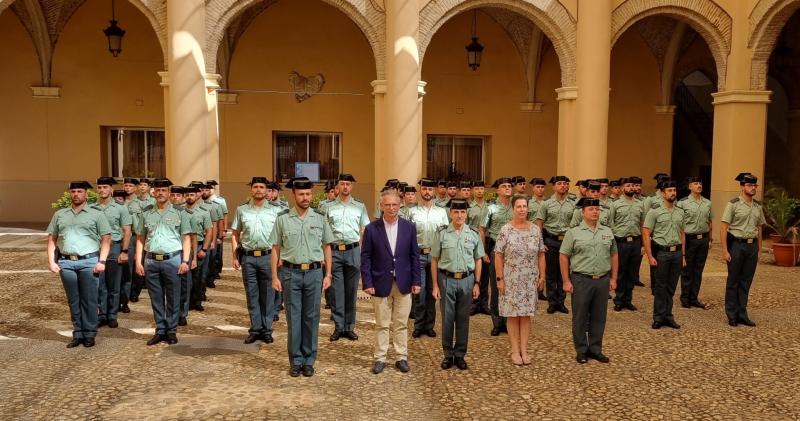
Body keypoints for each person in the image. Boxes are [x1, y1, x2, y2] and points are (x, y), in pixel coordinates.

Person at [270, 177, 334, 377]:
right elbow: (275, 248)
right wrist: (274, 276)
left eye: (308, 194)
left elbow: (327, 246)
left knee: (311, 318)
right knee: (294, 318)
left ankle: (309, 359)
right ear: (293, 195)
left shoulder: (320, 218)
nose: (305, 198)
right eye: (301, 194)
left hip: (315, 273)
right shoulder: (282, 219)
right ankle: (296, 360)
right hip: (290, 273)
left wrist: (328, 274)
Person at [361, 191, 421, 374]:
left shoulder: (409, 227)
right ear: (381, 206)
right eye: (387, 205)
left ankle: (401, 357)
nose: (391, 208)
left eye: (394, 204)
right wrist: (367, 282)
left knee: (401, 323)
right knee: (382, 323)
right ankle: (380, 358)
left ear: (400, 205)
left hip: (404, 282)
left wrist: (416, 280)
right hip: (380, 283)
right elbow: (366, 258)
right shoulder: (372, 229)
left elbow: (414, 256)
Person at [46, 181, 112, 348]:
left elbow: (106, 238)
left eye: (79, 191)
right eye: (73, 191)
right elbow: (52, 239)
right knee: (73, 300)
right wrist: (51, 261)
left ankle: (89, 333)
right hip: (67, 262)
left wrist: (102, 261)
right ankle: (78, 333)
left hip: (89, 261)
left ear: (86, 194)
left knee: (89, 299)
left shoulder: (97, 214)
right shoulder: (60, 214)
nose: (76, 194)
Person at [135, 178, 193, 345]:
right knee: (156, 297)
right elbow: (140, 238)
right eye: (157, 190)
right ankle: (160, 329)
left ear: (169, 192)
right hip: (151, 260)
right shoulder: (145, 213)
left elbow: (186, 238)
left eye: (164, 190)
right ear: (153, 192)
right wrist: (138, 261)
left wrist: (185, 261)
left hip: (172, 259)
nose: (160, 193)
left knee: (174, 297)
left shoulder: (180, 213)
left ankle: (172, 330)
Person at [560, 198, 618, 364]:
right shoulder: (573, 232)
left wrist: (613, 278)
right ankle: (581, 349)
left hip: (602, 279)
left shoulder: (607, 231)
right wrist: (566, 280)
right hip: (581, 279)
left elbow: (614, 254)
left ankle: (595, 348)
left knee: (599, 316)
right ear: (583, 212)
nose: (595, 212)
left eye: (597, 209)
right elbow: (564, 256)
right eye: (591, 209)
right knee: (580, 316)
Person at [432, 199, 484, 370]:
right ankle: (448, 355)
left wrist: (477, 283)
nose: (459, 215)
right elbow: (434, 260)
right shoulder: (442, 233)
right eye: (456, 212)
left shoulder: (474, 233)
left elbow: (478, 259)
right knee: (447, 319)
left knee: (463, 319)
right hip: (446, 279)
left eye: (462, 212)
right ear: (450, 213)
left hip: (467, 280)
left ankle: (460, 354)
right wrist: (435, 285)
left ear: (466, 214)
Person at [494, 195, 545, 366]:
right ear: (513, 209)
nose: (522, 209)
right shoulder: (505, 230)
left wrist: (542, 276)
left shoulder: (535, 230)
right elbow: (498, 255)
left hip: (529, 279)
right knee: (513, 315)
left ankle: (524, 349)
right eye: (519, 206)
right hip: (511, 279)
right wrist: (500, 279)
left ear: (528, 208)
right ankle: (515, 351)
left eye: (524, 206)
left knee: (525, 315)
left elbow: (541, 254)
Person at [231, 177, 282, 344]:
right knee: (252, 295)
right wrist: (234, 256)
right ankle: (255, 329)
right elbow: (235, 234)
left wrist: (280, 258)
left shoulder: (276, 211)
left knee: (268, 294)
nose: (259, 190)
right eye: (255, 187)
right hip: (249, 258)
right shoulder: (242, 210)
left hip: (268, 257)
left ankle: (266, 329)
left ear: (267, 190)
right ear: (251, 190)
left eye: (262, 187)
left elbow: (281, 237)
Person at [325, 173, 370, 341]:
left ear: (351, 187)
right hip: (335, 251)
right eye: (342, 184)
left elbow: (365, 229)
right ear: (337, 186)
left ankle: (349, 327)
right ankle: (338, 326)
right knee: (337, 291)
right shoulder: (328, 207)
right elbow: (324, 232)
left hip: (352, 251)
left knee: (351, 291)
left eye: (348, 184)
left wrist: (362, 251)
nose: (345, 187)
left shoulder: (359, 206)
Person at [720, 172, 765, 327]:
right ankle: (731, 314)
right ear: (742, 186)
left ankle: (742, 313)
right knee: (733, 281)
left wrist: (759, 249)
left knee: (746, 281)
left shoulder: (758, 206)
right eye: (749, 185)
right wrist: (725, 250)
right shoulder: (733, 204)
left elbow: (759, 227)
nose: (753, 188)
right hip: (737, 245)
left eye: (754, 185)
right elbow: (724, 227)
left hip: (752, 247)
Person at [408, 178, 450, 338]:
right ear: (420, 190)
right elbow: (407, 235)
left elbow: (445, 235)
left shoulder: (441, 212)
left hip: (435, 257)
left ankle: (429, 325)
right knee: (419, 292)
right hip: (418, 255)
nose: (427, 192)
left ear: (434, 191)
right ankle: (419, 325)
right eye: (424, 189)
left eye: (430, 189)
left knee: (433, 291)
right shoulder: (411, 211)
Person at [643, 180, 685, 330]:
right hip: (662, 253)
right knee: (660, 287)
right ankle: (659, 317)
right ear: (662, 193)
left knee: (671, 287)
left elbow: (682, 233)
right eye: (669, 190)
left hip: (677, 253)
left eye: (674, 190)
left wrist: (684, 256)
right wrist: (649, 256)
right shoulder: (654, 212)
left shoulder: (680, 211)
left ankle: (668, 316)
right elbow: (646, 233)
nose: (672, 193)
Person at [94, 177, 132, 329]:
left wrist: (124, 251)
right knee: (99, 284)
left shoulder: (121, 208)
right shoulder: (92, 208)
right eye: (100, 187)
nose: (102, 190)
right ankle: (102, 314)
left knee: (114, 284)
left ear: (111, 190)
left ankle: (112, 315)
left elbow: (127, 231)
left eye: (105, 187)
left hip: (114, 247)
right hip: (96, 249)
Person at [535, 175, 575, 315]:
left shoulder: (572, 204)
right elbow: (539, 223)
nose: (563, 186)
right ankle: (552, 302)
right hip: (551, 241)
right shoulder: (546, 203)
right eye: (560, 183)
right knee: (551, 273)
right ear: (554, 186)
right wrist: (540, 242)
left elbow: (575, 224)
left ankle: (561, 302)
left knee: (563, 273)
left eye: (565, 183)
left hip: (567, 241)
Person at [480, 177, 514, 335]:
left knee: (511, 286)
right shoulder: (491, 208)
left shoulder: (517, 206)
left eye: (509, 186)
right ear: (497, 190)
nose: (507, 188)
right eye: (504, 186)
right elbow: (482, 230)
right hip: (496, 249)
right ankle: (497, 322)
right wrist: (483, 251)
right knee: (496, 286)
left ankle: (508, 321)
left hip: (514, 251)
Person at [607, 177, 644, 312]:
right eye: (627, 186)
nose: (630, 188)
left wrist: (643, 245)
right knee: (621, 272)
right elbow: (610, 224)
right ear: (622, 188)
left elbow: (642, 224)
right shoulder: (615, 204)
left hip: (635, 241)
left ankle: (628, 300)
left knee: (632, 272)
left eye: (632, 186)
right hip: (621, 242)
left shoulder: (640, 204)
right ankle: (619, 299)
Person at [677, 176, 713, 309]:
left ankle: (694, 297)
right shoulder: (682, 203)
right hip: (689, 239)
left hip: (702, 240)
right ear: (689, 187)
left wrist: (709, 239)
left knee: (698, 270)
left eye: (700, 183)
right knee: (687, 270)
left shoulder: (707, 203)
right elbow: (679, 225)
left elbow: (710, 222)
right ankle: (685, 298)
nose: (699, 185)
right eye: (696, 183)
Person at [184, 186, 213, 312]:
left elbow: (209, 232)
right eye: (187, 195)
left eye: (192, 194)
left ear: (197, 196)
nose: (189, 197)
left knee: (199, 276)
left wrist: (204, 249)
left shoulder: (204, 212)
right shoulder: (180, 211)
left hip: (200, 245)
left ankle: (197, 301)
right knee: (186, 277)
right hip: (184, 247)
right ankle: (187, 302)